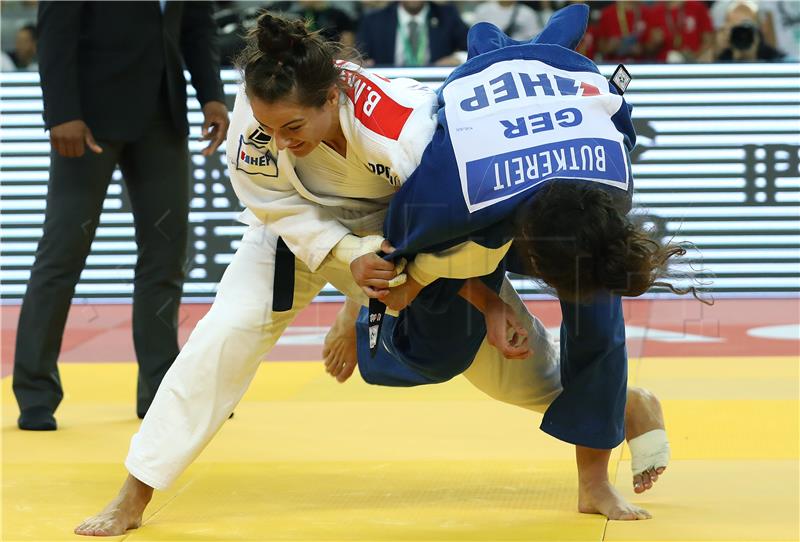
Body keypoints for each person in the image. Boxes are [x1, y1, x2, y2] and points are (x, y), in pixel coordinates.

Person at [74, 9, 666, 536]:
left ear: (332, 99)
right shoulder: (258, 127)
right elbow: (272, 203)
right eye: (268, 127)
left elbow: (450, 230)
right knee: (222, 336)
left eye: (292, 129)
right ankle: (135, 490)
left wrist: (469, 300)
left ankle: (618, 406)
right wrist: (344, 261)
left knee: (510, 375)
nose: (278, 141)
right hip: (303, 233)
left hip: (408, 244)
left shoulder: (407, 129)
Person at [13, 1, 229, 431]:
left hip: (163, 119)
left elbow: (197, 29)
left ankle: (160, 389)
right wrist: (62, 113)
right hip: (89, 119)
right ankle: (35, 392)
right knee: (62, 253)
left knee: (165, 258)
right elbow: (55, 32)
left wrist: (212, 96)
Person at [356, 1, 468, 66]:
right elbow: (359, 58)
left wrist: (458, 58)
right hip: (388, 90)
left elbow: (472, 48)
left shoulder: (447, 15)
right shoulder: (374, 20)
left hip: (434, 86)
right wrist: (363, 64)